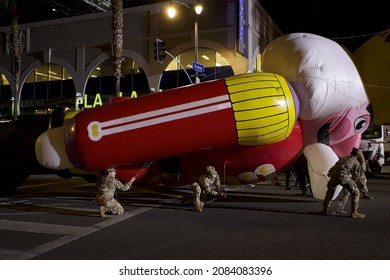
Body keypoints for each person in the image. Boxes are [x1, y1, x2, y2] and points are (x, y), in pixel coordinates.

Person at [320, 148, 366, 218]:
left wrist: (329, 174)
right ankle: (354, 212)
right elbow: (356, 176)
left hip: (334, 176)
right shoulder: (356, 162)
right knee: (355, 192)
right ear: (359, 155)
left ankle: (325, 209)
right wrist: (354, 179)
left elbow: (333, 168)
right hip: (344, 176)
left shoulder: (343, 159)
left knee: (330, 191)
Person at [337, 148, 373, 213]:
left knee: (362, 182)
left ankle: (364, 193)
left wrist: (361, 174)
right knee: (349, 185)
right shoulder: (349, 156)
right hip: (350, 171)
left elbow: (362, 165)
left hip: (357, 171)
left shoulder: (359, 156)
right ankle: (346, 195)